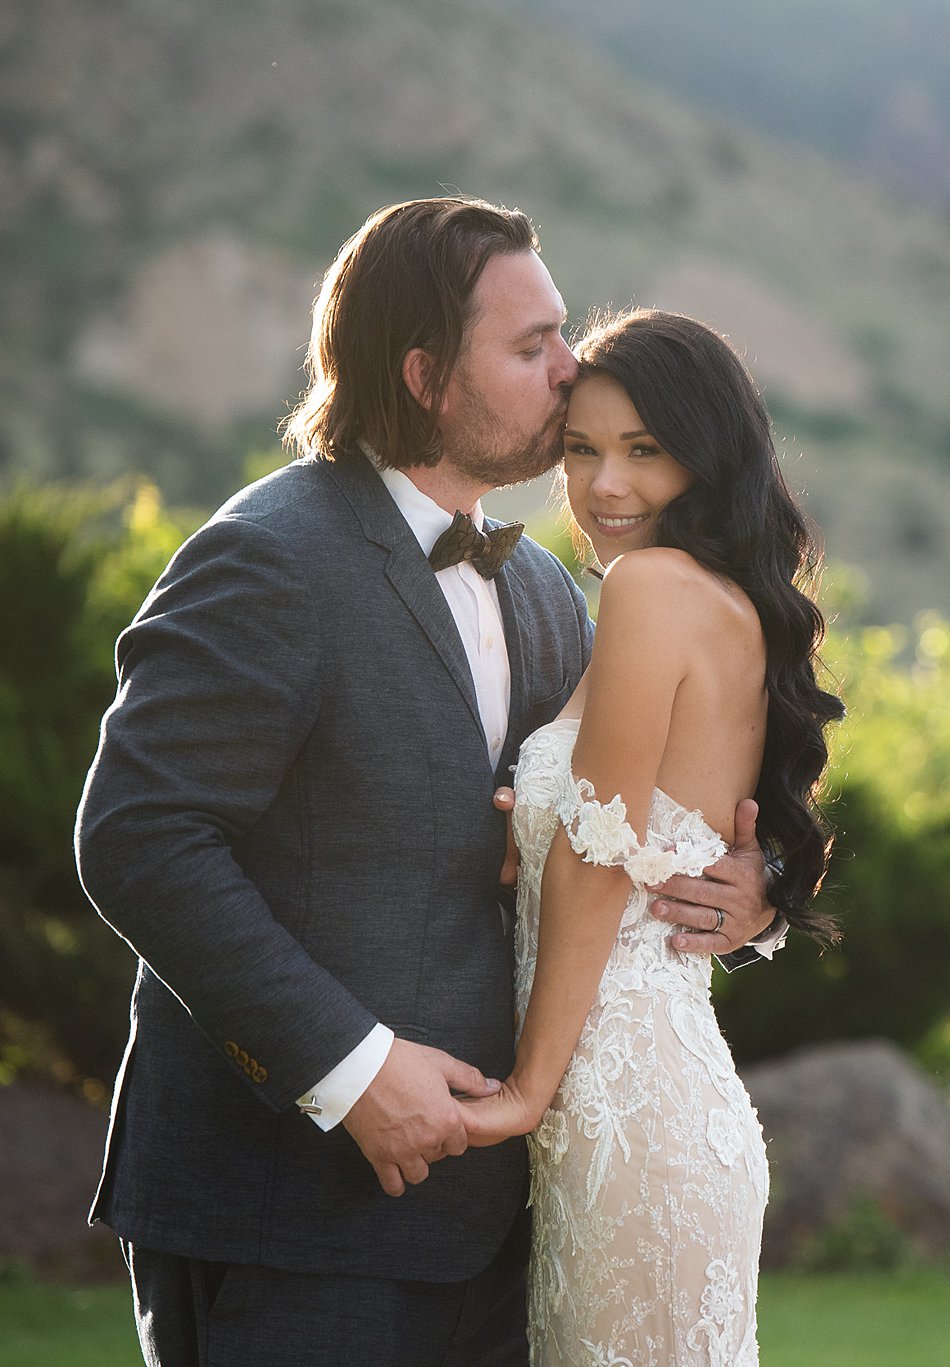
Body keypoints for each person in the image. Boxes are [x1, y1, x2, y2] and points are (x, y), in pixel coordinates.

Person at [74, 197, 781, 1366]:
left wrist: (741, 889)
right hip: (295, 1219)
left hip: (510, 1218)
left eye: (561, 333)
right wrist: (345, 1071)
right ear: (423, 374)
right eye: (529, 346)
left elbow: (608, 824)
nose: (570, 371)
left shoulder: (552, 593)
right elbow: (140, 838)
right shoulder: (268, 554)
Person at [459, 308, 841, 1366]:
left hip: (621, 1106)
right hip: (637, 1103)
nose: (604, 488)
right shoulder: (710, 598)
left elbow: (597, 850)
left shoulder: (650, 588)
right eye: (580, 450)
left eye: (644, 452)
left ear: (707, 459)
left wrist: (529, 1088)